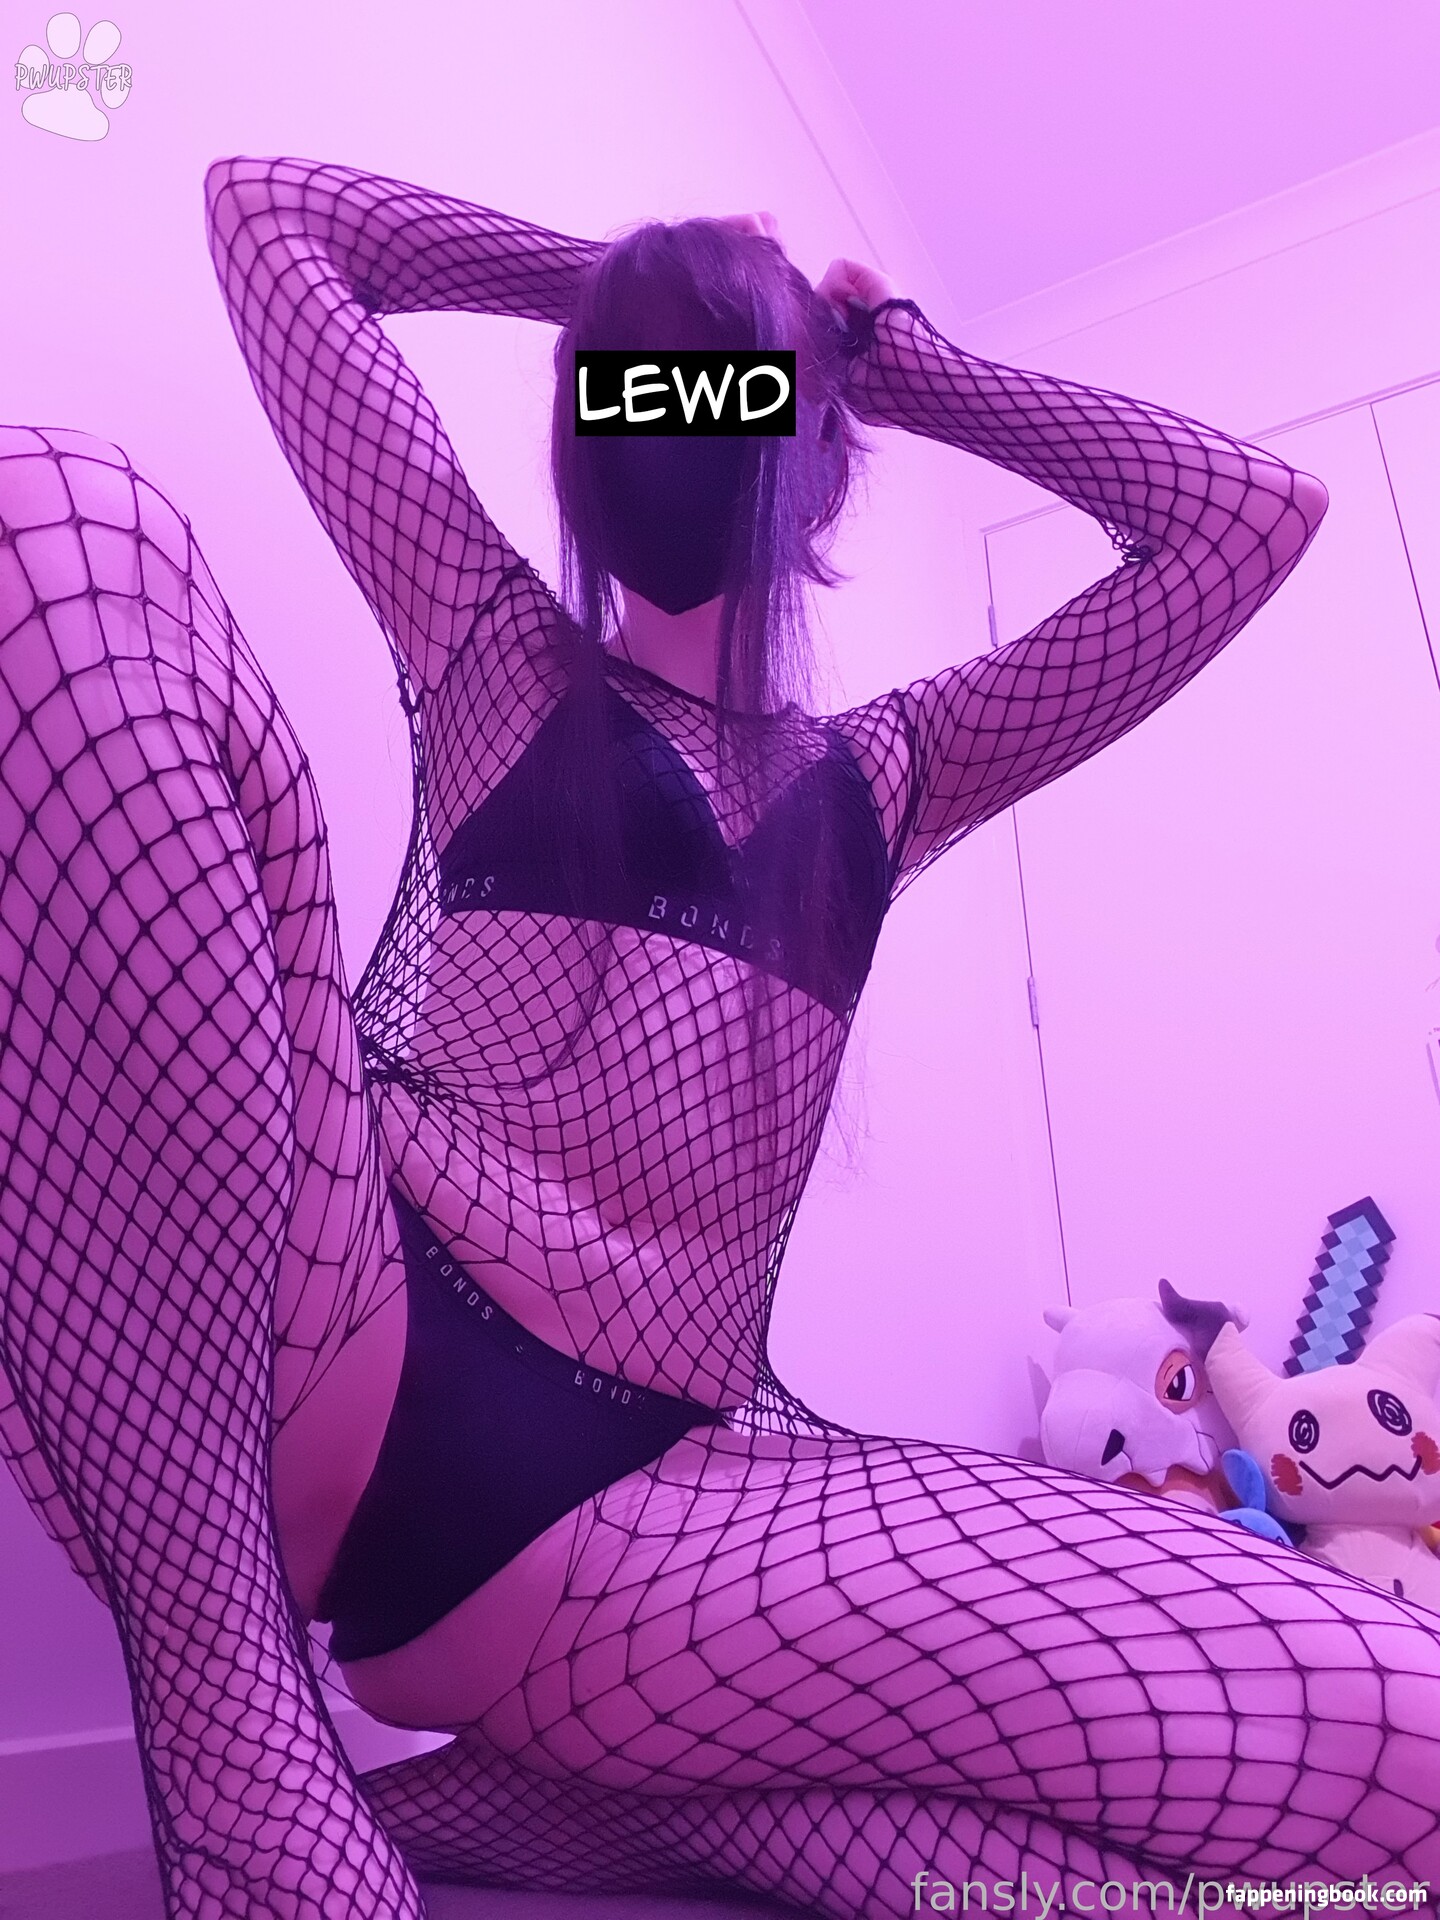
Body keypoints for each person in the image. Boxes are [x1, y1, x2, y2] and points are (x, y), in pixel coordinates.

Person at [0, 153, 1434, 1920]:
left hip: (651, 1512)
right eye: (642, 387)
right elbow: (270, 217)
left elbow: (1247, 515)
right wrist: (626, 288)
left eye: (718, 388)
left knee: (1411, 1755)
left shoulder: (892, 773)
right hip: (325, 1311)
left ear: (807, 455)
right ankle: (235, 1728)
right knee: (49, 519)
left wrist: (883, 362)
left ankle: (600, 1812)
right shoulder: (494, 647)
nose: (677, 404)